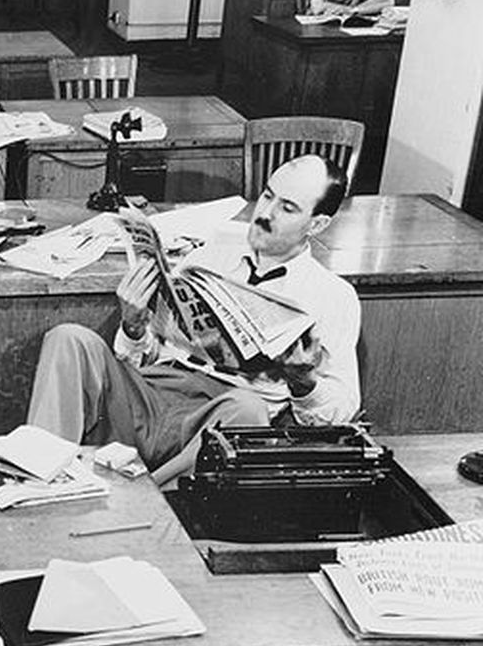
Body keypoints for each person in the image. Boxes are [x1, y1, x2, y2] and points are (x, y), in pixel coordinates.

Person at [26, 154, 361, 485]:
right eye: (267, 195)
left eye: (287, 208)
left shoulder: (333, 296)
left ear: (317, 224)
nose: (265, 213)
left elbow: (342, 411)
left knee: (248, 409)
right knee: (68, 339)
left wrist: (304, 382)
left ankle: (148, 502)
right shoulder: (207, 256)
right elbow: (146, 353)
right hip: (154, 393)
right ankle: (37, 482)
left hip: (222, 415)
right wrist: (134, 326)